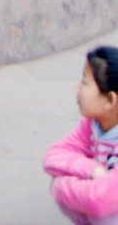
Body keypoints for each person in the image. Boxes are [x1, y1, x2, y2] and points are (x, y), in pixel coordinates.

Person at [44, 46, 118, 224]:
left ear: (110, 100)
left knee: (103, 212)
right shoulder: (93, 123)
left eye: (85, 82)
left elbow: (99, 201)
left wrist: (60, 186)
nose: (77, 87)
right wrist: (91, 169)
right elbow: (53, 156)